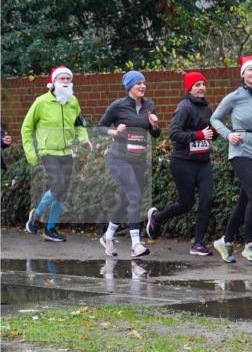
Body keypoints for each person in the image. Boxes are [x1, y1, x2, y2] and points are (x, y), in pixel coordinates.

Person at [210, 56, 252, 263]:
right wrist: (228, 134)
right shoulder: (234, 97)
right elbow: (214, 118)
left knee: (245, 201)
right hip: (239, 149)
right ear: (243, 74)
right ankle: (249, 245)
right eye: (250, 70)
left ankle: (225, 241)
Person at [145, 71, 217, 256]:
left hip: (203, 162)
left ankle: (198, 243)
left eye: (203, 84)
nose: (202, 88)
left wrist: (215, 132)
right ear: (189, 88)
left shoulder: (207, 108)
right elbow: (174, 133)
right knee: (186, 204)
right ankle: (157, 218)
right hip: (183, 162)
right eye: (197, 85)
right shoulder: (184, 107)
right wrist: (199, 135)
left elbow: (210, 132)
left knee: (207, 199)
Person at [20, 66, 92, 242]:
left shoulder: (72, 101)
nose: (66, 82)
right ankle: (35, 217)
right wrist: (31, 153)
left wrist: (84, 139)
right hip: (48, 151)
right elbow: (26, 128)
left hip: (67, 152)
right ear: (53, 82)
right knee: (58, 186)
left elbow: (79, 123)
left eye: (68, 79)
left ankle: (50, 229)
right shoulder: (41, 102)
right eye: (62, 79)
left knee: (62, 193)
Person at [98, 70, 160, 258]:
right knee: (135, 196)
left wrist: (155, 125)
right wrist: (115, 132)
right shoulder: (118, 106)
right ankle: (136, 244)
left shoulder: (149, 105)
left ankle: (108, 236)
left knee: (126, 199)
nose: (142, 86)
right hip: (119, 159)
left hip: (138, 160)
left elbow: (155, 134)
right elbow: (101, 127)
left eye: (143, 83)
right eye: (138, 83)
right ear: (129, 87)